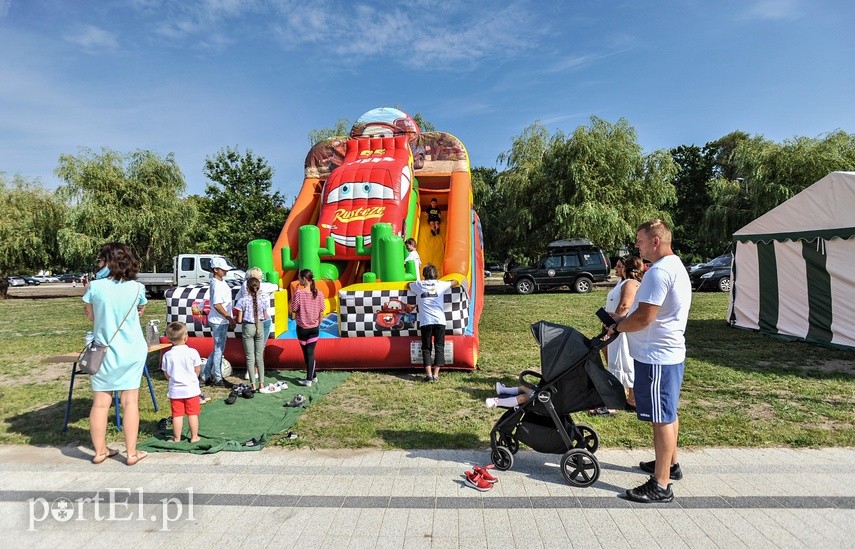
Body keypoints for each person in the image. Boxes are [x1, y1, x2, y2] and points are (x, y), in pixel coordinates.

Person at [608, 219, 692, 503]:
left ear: (655, 241)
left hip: (657, 357)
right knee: (668, 412)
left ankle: (661, 484)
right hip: (666, 354)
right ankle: (670, 465)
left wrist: (618, 327)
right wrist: (623, 320)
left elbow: (645, 317)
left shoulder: (658, 273)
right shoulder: (674, 266)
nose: (637, 246)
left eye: (640, 240)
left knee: (661, 418)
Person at [83, 242, 149, 465]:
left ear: (107, 262)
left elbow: (90, 317)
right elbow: (138, 313)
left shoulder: (95, 286)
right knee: (130, 402)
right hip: (132, 349)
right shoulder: (137, 288)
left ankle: (100, 451)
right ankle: (131, 453)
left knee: (101, 403)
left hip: (103, 350)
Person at [591, 255, 644, 415]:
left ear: (628, 268)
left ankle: (613, 404)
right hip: (615, 327)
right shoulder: (622, 282)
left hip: (620, 330)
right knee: (618, 361)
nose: (617, 268)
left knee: (622, 362)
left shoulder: (630, 283)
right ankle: (631, 400)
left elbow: (625, 305)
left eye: (621, 265)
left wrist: (614, 325)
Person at [408, 263, 460, 381]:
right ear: (436, 274)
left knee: (426, 347)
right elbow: (455, 282)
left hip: (426, 321)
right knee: (439, 346)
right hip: (440, 320)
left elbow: (407, 285)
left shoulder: (419, 285)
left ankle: (428, 374)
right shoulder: (441, 284)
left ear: (424, 274)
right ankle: (436, 374)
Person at [161, 322, 203, 443]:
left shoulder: (167, 355)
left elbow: (166, 373)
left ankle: (177, 437)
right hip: (191, 389)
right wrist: (193, 378)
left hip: (175, 390)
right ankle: (194, 437)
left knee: (177, 415)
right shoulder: (193, 352)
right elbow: (197, 369)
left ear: (169, 339)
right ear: (186, 337)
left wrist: (172, 379)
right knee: (192, 414)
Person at [201, 257, 235, 388]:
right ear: (216, 270)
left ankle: (205, 376)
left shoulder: (218, 282)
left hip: (219, 320)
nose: (225, 272)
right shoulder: (217, 284)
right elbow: (217, 304)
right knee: (219, 350)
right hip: (219, 321)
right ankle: (218, 377)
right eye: (223, 270)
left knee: (217, 349)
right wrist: (229, 318)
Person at [234, 277, 272, 392]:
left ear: (247, 287)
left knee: (250, 357)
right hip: (259, 326)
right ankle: (261, 384)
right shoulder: (263, 300)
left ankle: (253, 385)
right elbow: (265, 317)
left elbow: (239, 320)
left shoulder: (242, 300)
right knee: (259, 357)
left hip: (248, 327)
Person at [291, 269, 325, 387]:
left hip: (302, 328)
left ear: (304, 279)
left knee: (307, 353)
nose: (298, 280)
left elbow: (294, 310)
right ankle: (313, 376)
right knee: (309, 353)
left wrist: (295, 293)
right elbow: (322, 312)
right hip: (314, 328)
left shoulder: (299, 294)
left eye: (299, 278)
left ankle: (309, 379)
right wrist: (318, 324)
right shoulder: (319, 293)